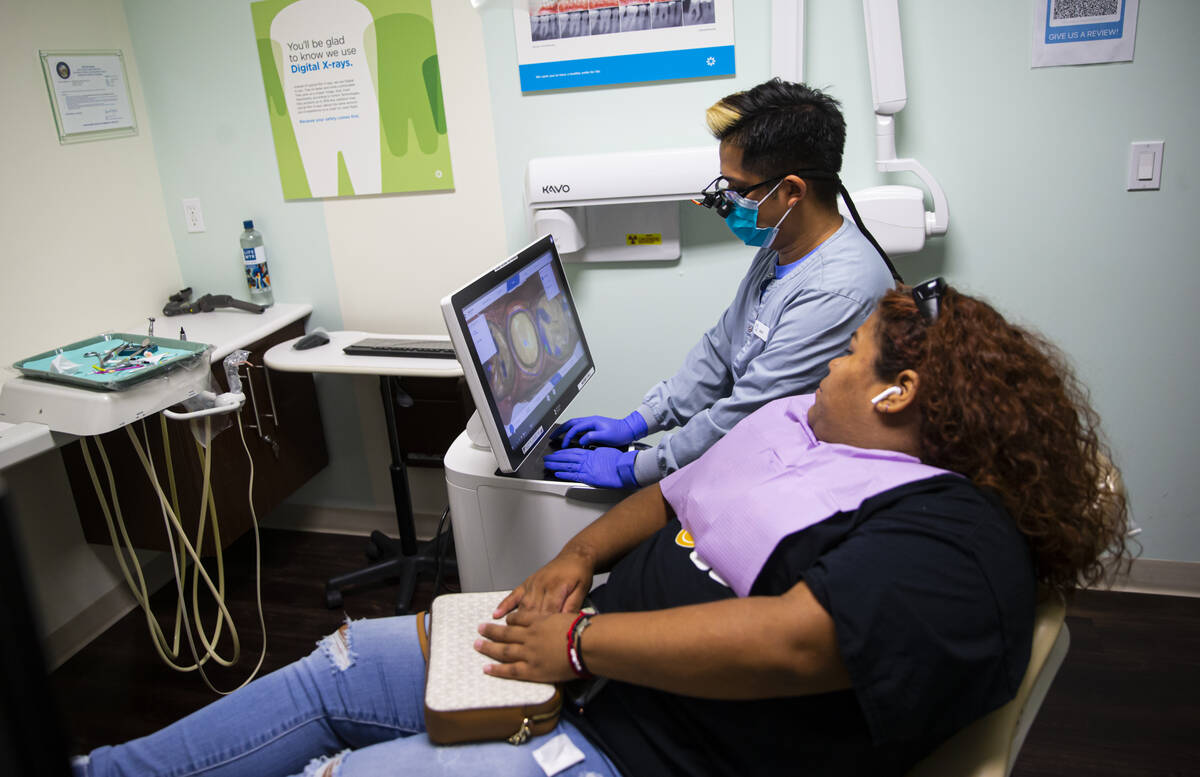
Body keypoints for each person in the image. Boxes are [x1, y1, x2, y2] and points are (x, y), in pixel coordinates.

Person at [74, 281, 1131, 777]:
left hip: (640, 749)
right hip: (586, 659)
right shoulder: (810, 436)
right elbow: (676, 495)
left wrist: (576, 645)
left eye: (848, 355)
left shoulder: (954, 539)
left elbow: (797, 641)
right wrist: (574, 561)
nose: (826, 368)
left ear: (900, 393)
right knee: (339, 670)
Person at [544, 79, 896, 490]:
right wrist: (642, 420)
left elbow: (749, 411)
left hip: (804, 479)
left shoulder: (837, 290)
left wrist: (636, 468)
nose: (725, 199)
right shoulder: (782, 245)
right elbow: (723, 347)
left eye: (737, 188)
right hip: (760, 452)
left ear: (791, 192)